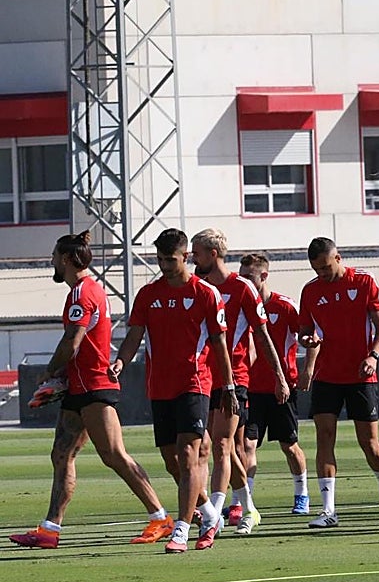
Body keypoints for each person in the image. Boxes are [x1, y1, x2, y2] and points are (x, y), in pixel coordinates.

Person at [10, 231, 173, 550]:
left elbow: (72, 342)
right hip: (81, 387)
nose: (52, 261)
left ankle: (160, 518)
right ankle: (49, 530)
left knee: (114, 455)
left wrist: (48, 374)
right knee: (61, 454)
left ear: (68, 259)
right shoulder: (83, 290)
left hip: (95, 386)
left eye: (55, 256)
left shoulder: (83, 293)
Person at [111, 228, 237, 553]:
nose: (165, 266)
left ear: (187, 257)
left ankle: (181, 529)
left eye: (171, 259)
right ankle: (209, 513)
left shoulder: (206, 294)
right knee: (172, 462)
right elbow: (134, 336)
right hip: (160, 387)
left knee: (188, 454)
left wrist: (230, 386)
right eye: (161, 259)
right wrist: (120, 362)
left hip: (195, 384)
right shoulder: (147, 295)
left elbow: (220, 344)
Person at [191, 229, 290, 535]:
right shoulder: (197, 287)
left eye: (196, 252)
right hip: (205, 377)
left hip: (235, 377)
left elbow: (262, 336)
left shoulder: (243, 288)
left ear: (213, 254)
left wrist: (279, 376)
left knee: (222, 444)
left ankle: (215, 515)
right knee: (208, 448)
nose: (192, 258)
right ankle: (248, 507)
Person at [297, 237, 379, 528]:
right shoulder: (311, 291)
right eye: (317, 270)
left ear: (338, 258)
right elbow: (305, 330)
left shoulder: (364, 281)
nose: (323, 274)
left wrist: (373, 355)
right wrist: (308, 339)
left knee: (369, 443)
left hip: (360, 374)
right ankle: (328, 510)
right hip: (327, 374)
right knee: (324, 437)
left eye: (326, 267)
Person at [237, 252, 310, 516]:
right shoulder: (240, 305)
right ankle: (244, 501)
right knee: (247, 445)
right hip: (251, 388)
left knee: (289, 446)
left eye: (249, 277)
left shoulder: (285, 306)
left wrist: (307, 369)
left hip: (282, 388)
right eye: (241, 276)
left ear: (263, 276)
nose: (243, 281)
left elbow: (309, 336)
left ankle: (302, 493)